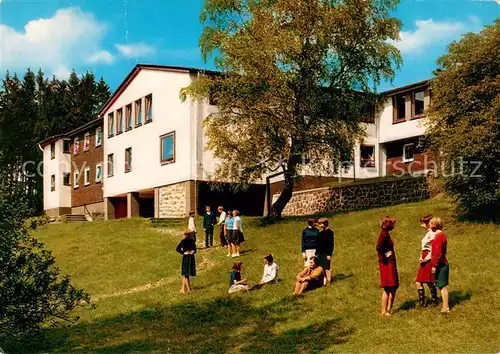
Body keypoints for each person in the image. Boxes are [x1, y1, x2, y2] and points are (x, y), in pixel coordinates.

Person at [376, 216, 398, 317]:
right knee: (388, 287)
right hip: (387, 264)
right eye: (392, 224)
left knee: (394, 285)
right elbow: (379, 247)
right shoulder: (384, 234)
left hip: (390, 262)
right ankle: (384, 311)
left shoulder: (386, 234)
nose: (394, 226)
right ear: (388, 224)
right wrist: (385, 255)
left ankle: (389, 308)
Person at [416, 214, 438, 307]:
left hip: (428, 258)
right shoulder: (428, 233)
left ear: (427, 223)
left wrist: (425, 259)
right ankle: (427, 302)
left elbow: (433, 249)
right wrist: (421, 256)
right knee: (421, 281)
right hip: (425, 257)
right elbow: (425, 248)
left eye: (423, 223)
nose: (421, 225)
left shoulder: (432, 234)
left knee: (426, 281)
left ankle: (432, 301)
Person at [430, 217, 450, 314]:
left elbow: (437, 253)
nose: (429, 225)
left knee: (442, 286)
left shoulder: (438, 237)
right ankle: (445, 307)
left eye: (430, 223)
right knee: (441, 286)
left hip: (441, 264)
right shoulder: (441, 235)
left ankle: (446, 307)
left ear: (434, 225)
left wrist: (434, 265)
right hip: (442, 263)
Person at [176, 230, 197, 294]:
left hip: (187, 258)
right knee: (186, 274)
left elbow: (177, 249)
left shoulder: (185, 241)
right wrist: (191, 252)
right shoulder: (190, 241)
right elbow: (195, 250)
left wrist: (184, 253)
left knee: (186, 274)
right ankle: (188, 289)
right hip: (189, 257)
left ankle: (183, 289)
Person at [317, 218, 335, 285]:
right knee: (323, 267)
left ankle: (329, 281)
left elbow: (331, 244)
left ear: (324, 224)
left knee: (327, 267)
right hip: (320, 253)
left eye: (320, 223)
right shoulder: (321, 233)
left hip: (326, 253)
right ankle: (324, 280)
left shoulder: (330, 232)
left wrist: (329, 254)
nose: (319, 225)